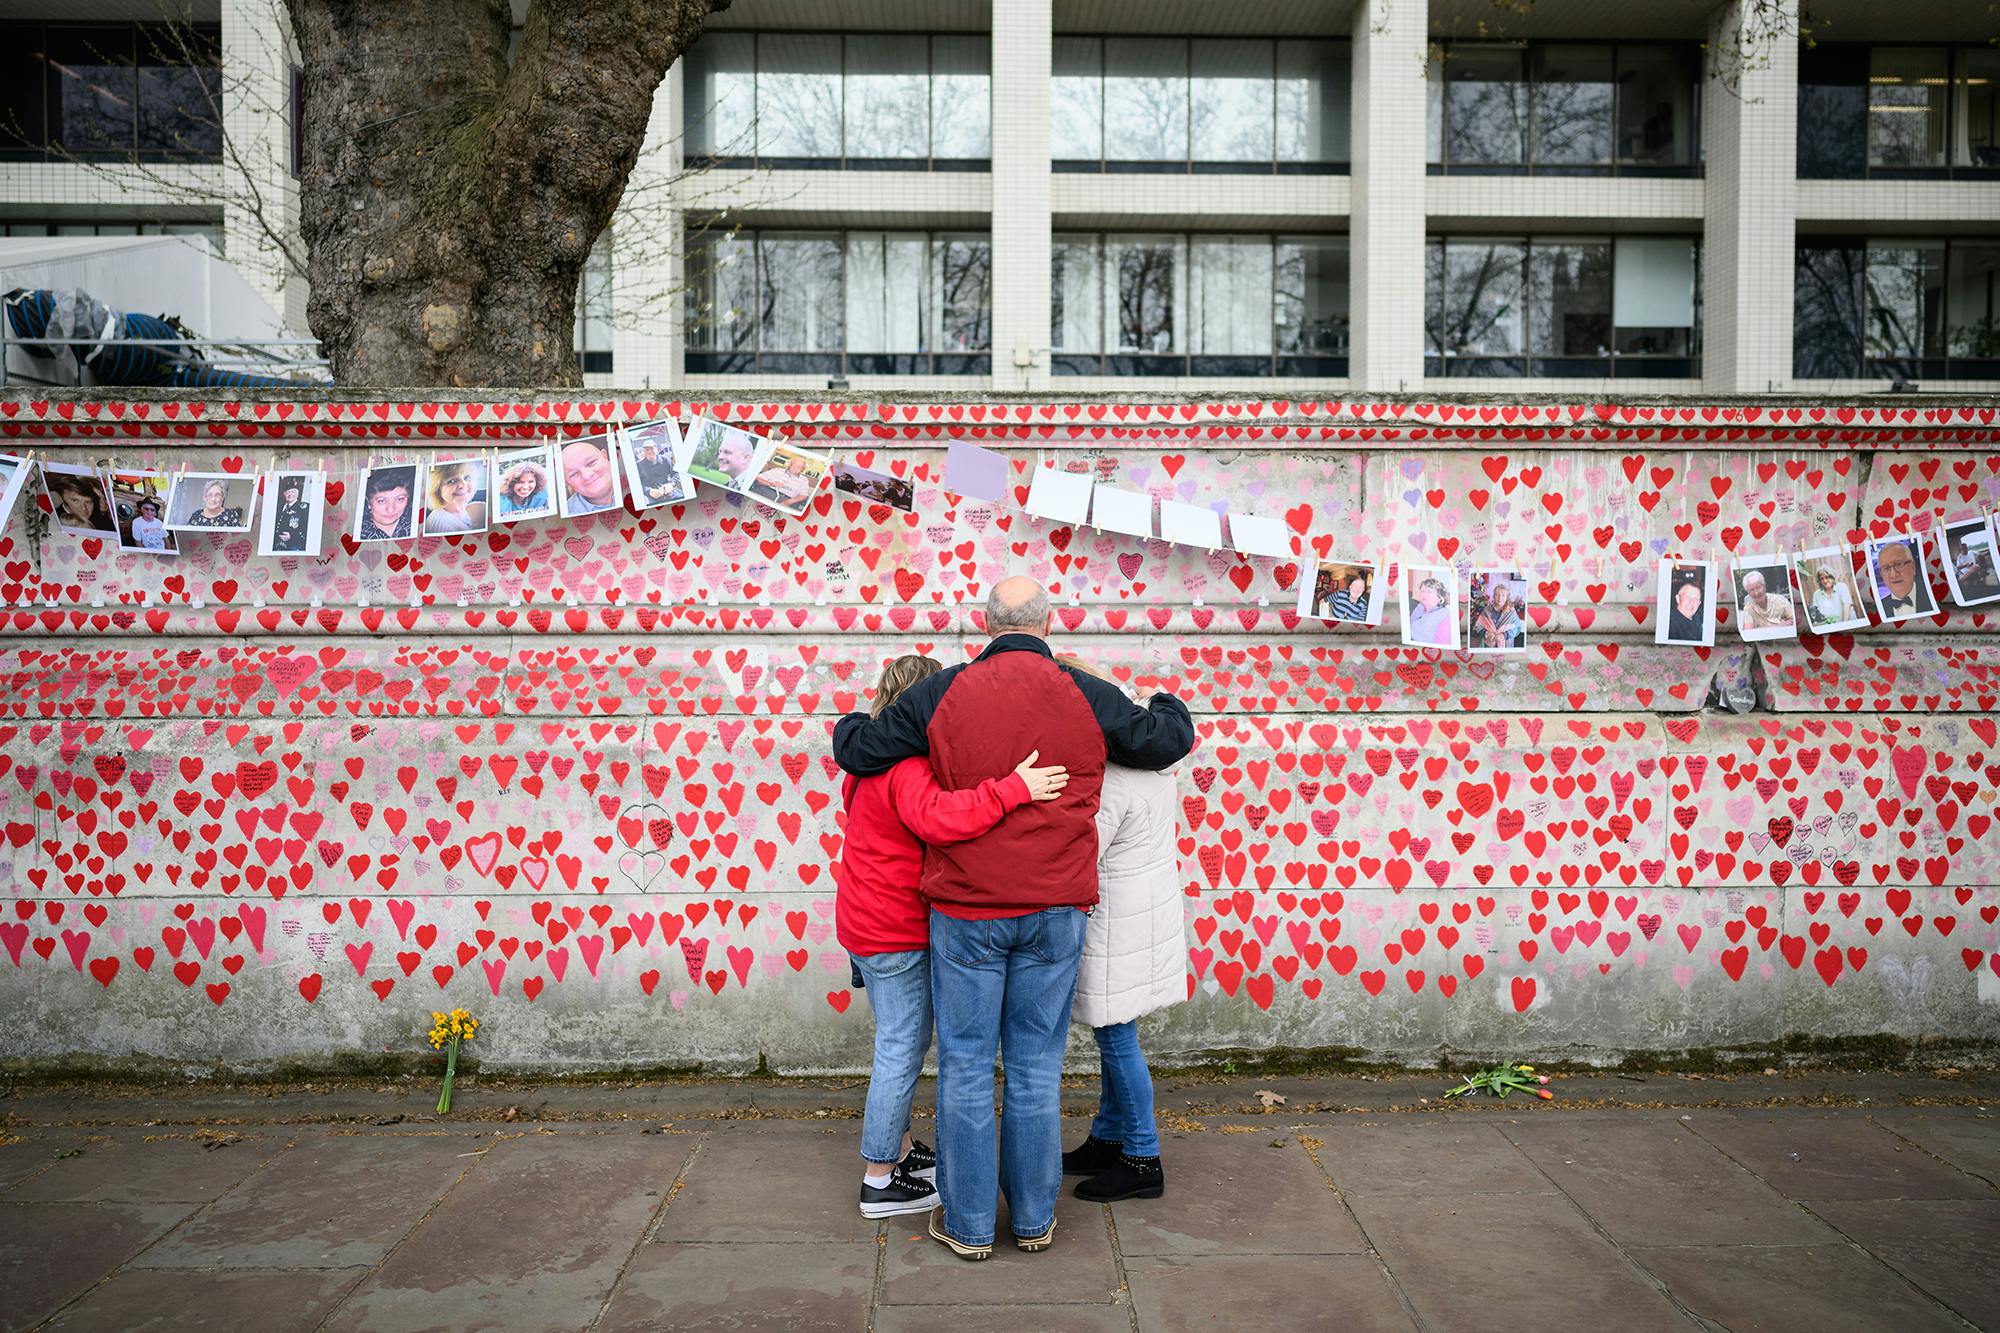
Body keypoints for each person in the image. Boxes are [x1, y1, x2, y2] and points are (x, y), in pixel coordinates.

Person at [833, 576, 1194, 1261]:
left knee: (966, 1065)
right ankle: (1033, 1220)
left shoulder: (942, 693)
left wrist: (854, 724)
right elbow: (1162, 739)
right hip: (1056, 911)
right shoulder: (1083, 694)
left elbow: (860, 748)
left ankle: (968, 1228)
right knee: (1035, 1065)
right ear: (1047, 622)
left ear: (985, 621)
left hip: (967, 912)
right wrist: (1166, 701)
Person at [836, 653, 1071, 1220]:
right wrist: (1012, 789)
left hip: (865, 920)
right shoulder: (907, 766)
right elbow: (942, 819)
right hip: (894, 930)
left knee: (901, 1044)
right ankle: (879, 1179)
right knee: (901, 1048)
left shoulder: (866, 761)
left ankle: (894, 1156)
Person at [1055, 658, 1183, 1204]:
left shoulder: (1108, 782)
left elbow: (1082, 852)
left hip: (1116, 920)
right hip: (1145, 912)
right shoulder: (1152, 762)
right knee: (1118, 1027)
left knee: (1116, 1035)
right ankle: (1108, 1139)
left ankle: (1141, 1156)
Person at [1874, 540, 1932, 618]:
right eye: (1886, 568)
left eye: (1898, 564)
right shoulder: (1879, 608)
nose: (1893, 574)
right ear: (1881, 574)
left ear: (1913, 567)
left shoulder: (1932, 598)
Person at [425, 462, 487, 534]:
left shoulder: (471, 508)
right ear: (437, 489)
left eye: (467, 477)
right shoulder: (442, 525)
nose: (463, 485)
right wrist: (478, 524)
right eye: (452, 481)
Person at [562, 439, 620, 515]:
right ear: (566, 482)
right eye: (574, 474)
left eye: (591, 463)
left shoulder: (635, 486)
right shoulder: (567, 514)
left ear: (605, 456)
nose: (587, 476)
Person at [359, 469, 414, 541]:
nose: (391, 509)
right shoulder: (358, 530)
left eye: (400, 499)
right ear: (369, 502)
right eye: (381, 501)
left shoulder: (416, 525)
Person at [1472, 580, 1522, 650]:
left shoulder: (1511, 612)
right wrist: (1486, 633)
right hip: (1487, 646)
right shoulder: (1486, 610)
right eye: (1497, 595)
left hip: (1506, 646)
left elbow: (1518, 628)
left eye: (1503, 595)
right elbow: (1477, 627)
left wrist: (1505, 635)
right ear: (1493, 596)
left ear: (1507, 597)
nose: (1500, 598)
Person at [1406, 576, 1454, 645]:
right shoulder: (1420, 607)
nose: (1424, 594)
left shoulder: (1445, 616)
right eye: (1422, 591)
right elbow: (1410, 623)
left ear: (1439, 597)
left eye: (1429, 591)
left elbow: (1442, 645)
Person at [271, 478, 311, 552]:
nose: (290, 494)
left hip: (294, 545)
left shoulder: (304, 508)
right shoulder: (277, 507)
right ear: (283, 494)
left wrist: (292, 536)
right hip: (276, 545)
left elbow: (308, 529)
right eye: (287, 492)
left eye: (293, 492)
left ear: (297, 494)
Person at [1666, 575, 1706, 643]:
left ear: (1699, 604)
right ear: (1677, 599)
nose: (1691, 602)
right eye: (1687, 597)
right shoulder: (1670, 626)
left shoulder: (1698, 619)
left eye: (1695, 599)